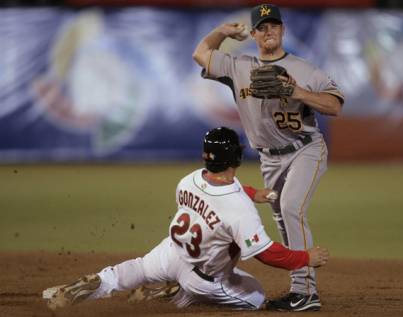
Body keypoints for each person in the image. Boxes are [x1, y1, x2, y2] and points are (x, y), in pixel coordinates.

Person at [43, 127, 329, 312]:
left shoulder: (189, 179)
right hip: (203, 277)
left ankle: (80, 289)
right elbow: (266, 253)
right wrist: (305, 258)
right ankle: (179, 295)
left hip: (170, 252)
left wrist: (255, 193)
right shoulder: (239, 208)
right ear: (235, 160)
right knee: (255, 298)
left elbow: (222, 192)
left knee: (133, 270)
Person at [192, 4, 344, 312]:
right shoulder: (240, 65)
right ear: (254, 33)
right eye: (262, 26)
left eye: (274, 24)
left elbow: (334, 105)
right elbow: (201, 53)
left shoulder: (304, 69)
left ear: (283, 29)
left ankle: (306, 293)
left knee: (290, 207)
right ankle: (299, 288)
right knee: (282, 219)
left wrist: (299, 92)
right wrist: (222, 32)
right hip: (269, 159)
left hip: (305, 148)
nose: (268, 30)